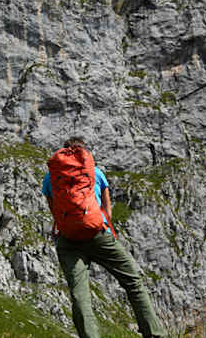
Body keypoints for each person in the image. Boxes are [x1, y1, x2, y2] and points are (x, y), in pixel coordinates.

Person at [43, 138, 165, 338]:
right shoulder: (95, 173)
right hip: (98, 234)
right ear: (84, 154)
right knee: (132, 280)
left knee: (79, 294)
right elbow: (107, 209)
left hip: (68, 240)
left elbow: (53, 210)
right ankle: (154, 333)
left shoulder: (51, 178)